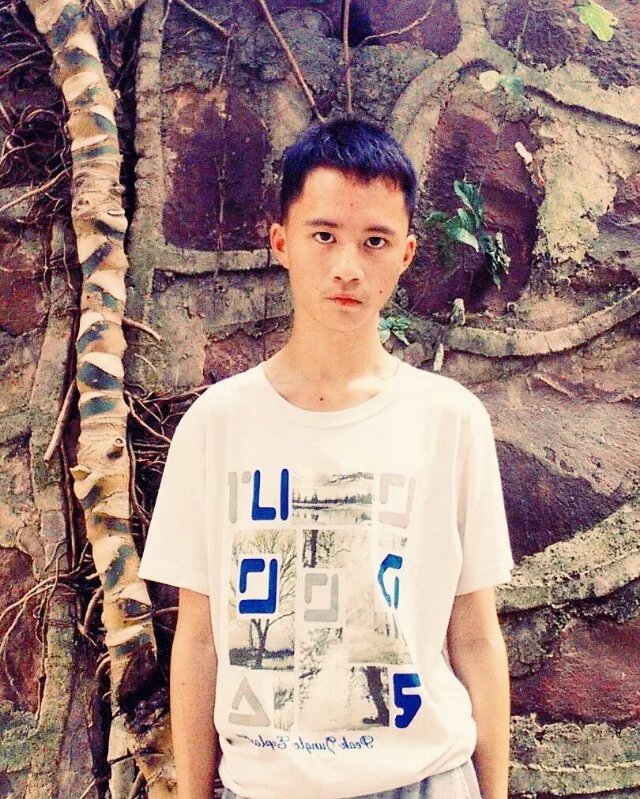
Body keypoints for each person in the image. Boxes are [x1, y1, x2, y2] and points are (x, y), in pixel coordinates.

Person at [138, 117, 513, 799]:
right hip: (267, 784)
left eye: (375, 241)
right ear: (281, 241)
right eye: (324, 235)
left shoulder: (449, 420)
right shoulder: (217, 425)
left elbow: (475, 634)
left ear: (406, 253)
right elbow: (199, 639)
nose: (347, 266)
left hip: (424, 778)